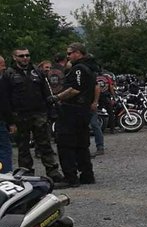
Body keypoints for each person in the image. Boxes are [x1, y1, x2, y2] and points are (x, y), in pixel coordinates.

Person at [0, 47, 64, 180]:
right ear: (14, 57)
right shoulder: (9, 75)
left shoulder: (38, 72)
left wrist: (51, 113)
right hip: (19, 115)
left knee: (45, 144)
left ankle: (53, 172)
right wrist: (10, 121)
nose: (25, 58)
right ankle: (26, 174)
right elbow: (4, 99)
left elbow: (47, 93)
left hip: (39, 114)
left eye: (27, 55)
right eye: (21, 56)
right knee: (23, 147)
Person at [53, 42, 98, 186]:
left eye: (69, 53)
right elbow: (95, 87)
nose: (67, 56)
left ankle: (70, 177)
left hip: (72, 110)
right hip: (83, 110)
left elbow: (75, 89)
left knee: (65, 144)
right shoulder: (91, 67)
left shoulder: (79, 69)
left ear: (78, 53)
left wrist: (57, 97)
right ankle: (87, 175)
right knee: (82, 144)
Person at [0, 56, 13, 173]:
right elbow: (4, 103)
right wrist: (11, 122)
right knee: (4, 149)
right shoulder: (2, 81)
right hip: (1, 120)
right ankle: (5, 174)